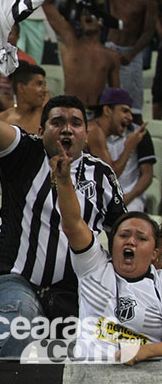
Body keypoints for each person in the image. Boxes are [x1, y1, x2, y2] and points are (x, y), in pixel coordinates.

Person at [0, 72, 125, 357]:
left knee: (96, 351)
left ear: (87, 132)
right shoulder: (24, 152)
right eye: (57, 122)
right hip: (14, 277)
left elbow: (122, 231)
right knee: (19, 332)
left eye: (75, 123)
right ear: (42, 130)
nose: (67, 130)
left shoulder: (102, 175)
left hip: (76, 289)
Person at [51, 147, 162, 364]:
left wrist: (144, 351)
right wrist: (64, 182)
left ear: (154, 254)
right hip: (90, 375)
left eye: (141, 238)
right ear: (112, 244)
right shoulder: (94, 267)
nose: (131, 241)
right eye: (124, 235)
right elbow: (73, 224)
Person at [78, 0, 157, 117]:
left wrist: (131, 54)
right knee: (103, 104)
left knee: (132, 107)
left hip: (131, 54)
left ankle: (135, 142)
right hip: (110, 50)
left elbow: (148, 31)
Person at [43, 0, 121, 107]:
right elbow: (47, 3)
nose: (87, 15)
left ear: (102, 23)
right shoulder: (70, 39)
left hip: (97, 114)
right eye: (84, 12)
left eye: (92, 13)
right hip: (70, 110)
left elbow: (115, 97)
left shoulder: (111, 56)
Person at [86, 89, 152, 213]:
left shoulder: (94, 129)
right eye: (125, 111)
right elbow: (111, 176)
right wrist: (129, 148)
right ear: (107, 110)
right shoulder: (94, 131)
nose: (130, 117)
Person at [0, 62, 47, 133]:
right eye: (39, 84)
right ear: (21, 87)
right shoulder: (2, 120)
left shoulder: (48, 119)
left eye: (45, 85)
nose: (44, 90)